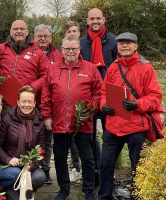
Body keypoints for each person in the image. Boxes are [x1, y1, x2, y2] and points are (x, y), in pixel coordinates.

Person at [98, 32, 163, 200]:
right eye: (121, 43)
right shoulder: (113, 67)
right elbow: (103, 92)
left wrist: (138, 104)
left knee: (138, 166)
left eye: (128, 43)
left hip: (136, 126)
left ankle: (138, 195)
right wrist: (103, 105)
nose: (124, 46)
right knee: (105, 165)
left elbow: (155, 97)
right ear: (117, 47)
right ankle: (105, 196)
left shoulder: (146, 67)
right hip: (113, 126)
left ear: (136, 46)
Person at [41, 36, 103, 200]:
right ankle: (64, 189)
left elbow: (99, 93)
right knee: (60, 158)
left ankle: (88, 191)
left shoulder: (90, 69)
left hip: (83, 123)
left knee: (87, 159)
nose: (70, 52)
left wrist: (91, 110)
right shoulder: (53, 70)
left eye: (74, 48)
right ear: (61, 49)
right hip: (60, 123)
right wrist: (47, 116)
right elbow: (46, 95)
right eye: (67, 48)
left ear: (79, 49)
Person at [80, 8, 118, 185]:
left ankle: (107, 173)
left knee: (109, 137)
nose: (95, 21)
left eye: (98, 18)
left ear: (104, 19)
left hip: (110, 97)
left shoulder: (115, 42)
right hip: (88, 97)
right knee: (89, 138)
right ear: (87, 21)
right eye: (92, 19)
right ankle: (93, 173)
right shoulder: (81, 43)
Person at [0, 85, 46, 200]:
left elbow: (42, 149)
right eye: (23, 101)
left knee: (40, 177)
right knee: (14, 177)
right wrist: (9, 159)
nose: (26, 105)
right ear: (18, 102)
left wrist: (32, 165)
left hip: (27, 166)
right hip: (9, 165)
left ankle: (22, 190)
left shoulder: (39, 122)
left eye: (30, 101)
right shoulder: (7, 120)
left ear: (34, 103)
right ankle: (13, 191)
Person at [32, 24, 62, 184]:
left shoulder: (58, 56)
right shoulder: (29, 53)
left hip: (51, 104)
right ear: (34, 37)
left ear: (51, 38)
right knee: (30, 138)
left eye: (46, 36)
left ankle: (45, 170)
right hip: (32, 103)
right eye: (39, 36)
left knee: (47, 140)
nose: (43, 39)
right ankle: (30, 169)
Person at [0, 20, 48, 108]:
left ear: (27, 32)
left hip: (27, 103)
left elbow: (46, 76)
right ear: (11, 31)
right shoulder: (0, 49)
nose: (19, 31)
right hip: (4, 103)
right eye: (16, 29)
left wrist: (32, 87)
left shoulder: (38, 53)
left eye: (22, 29)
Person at [62, 20, 82, 183]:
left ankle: (92, 169)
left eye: (74, 31)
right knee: (69, 141)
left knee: (90, 141)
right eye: (69, 31)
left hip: (83, 107)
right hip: (64, 109)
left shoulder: (85, 49)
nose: (72, 33)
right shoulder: (61, 54)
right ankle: (75, 167)